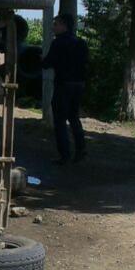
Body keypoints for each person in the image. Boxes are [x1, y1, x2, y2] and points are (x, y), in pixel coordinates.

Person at [44, 13, 89, 164]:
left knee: (60, 120)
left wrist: (40, 61)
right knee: (74, 117)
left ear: (64, 25)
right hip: (79, 84)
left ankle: (65, 155)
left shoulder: (58, 43)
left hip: (63, 85)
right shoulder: (81, 43)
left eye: (56, 24)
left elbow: (48, 62)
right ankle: (81, 150)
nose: (53, 27)